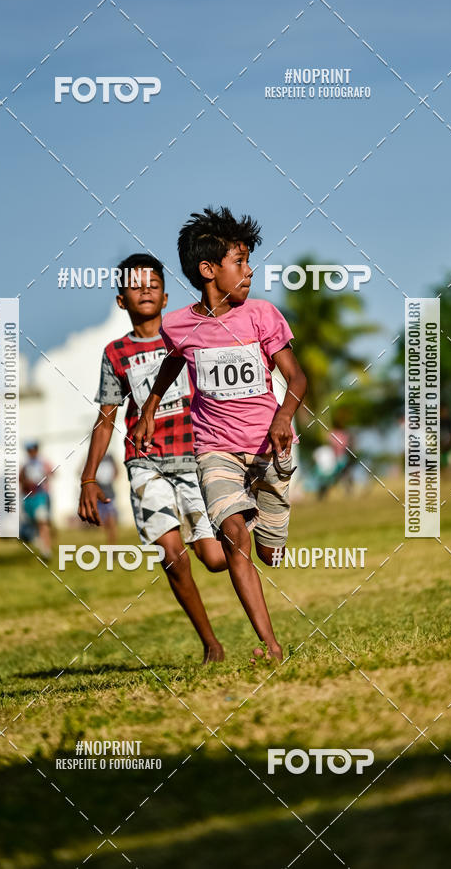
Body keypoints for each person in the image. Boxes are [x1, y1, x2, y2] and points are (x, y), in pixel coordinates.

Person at [134, 207, 307, 662]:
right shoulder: (177, 326)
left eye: (249, 260)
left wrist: (284, 416)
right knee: (233, 535)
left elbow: (298, 378)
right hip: (214, 451)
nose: (249, 271)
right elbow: (173, 360)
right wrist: (151, 406)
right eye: (240, 261)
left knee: (269, 554)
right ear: (209, 270)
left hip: (270, 447)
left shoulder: (262, 316)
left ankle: (277, 502)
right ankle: (271, 646)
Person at [78, 253, 228, 664]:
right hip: (146, 463)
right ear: (121, 300)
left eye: (154, 283)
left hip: (196, 455)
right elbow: (106, 418)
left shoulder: (186, 334)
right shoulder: (116, 353)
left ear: (165, 297)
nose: (146, 288)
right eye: (135, 283)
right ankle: (211, 644)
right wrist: (88, 478)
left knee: (215, 559)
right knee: (172, 557)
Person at [20, 442, 52, 560]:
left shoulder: (43, 463)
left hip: (41, 497)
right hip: (29, 499)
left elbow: (52, 474)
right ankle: (41, 544)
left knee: (42, 522)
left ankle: (47, 551)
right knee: (32, 525)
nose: (31, 452)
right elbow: (20, 480)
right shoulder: (25, 466)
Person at [94, 453, 118, 544]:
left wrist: (109, 480)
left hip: (109, 495)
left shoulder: (110, 457)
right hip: (98, 496)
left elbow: (117, 471)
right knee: (102, 524)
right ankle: (108, 545)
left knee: (111, 521)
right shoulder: (91, 456)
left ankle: (112, 546)